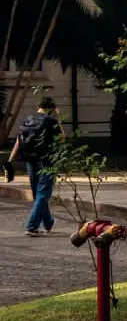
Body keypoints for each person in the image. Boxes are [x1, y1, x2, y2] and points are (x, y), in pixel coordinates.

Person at [8, 93, 62, 235]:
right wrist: (58, 118)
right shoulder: (51, 120)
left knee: (38, 194)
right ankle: (32, 227)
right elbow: (62, 138)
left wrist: (9, 161)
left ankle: (48, 223)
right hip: (46, 161)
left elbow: (19, 142)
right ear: (51, 108)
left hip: (30, 161)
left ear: (37, 106)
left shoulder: (27, 119)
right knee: (43, 194)